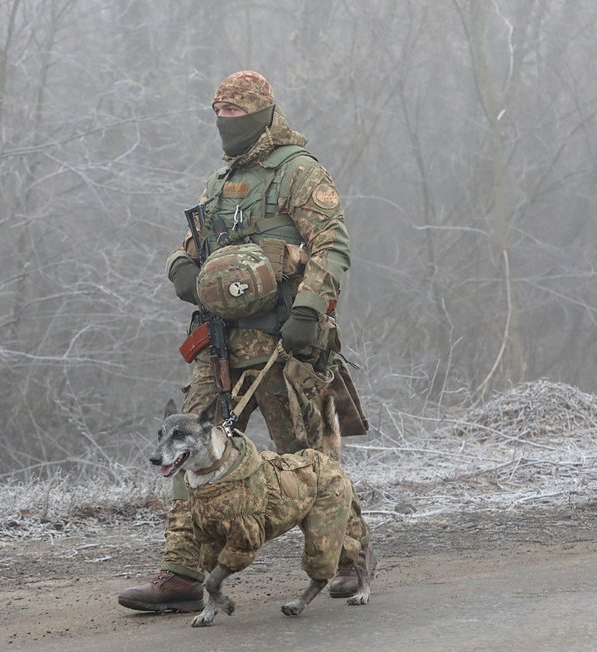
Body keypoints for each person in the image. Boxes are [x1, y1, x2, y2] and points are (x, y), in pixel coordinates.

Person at [118, 70, 374, 613]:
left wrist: (308, 311)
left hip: (286, 345)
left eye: (235, 113)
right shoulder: (218, 181)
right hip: (220, 346)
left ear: (260, 114)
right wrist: (182, 270)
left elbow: (333, 246)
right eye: (220, 112)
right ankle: (184, 573)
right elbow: (189, 244)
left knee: (307, 460)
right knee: (189, 450)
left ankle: (349, 557)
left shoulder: (300, 173)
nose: (224, 121)